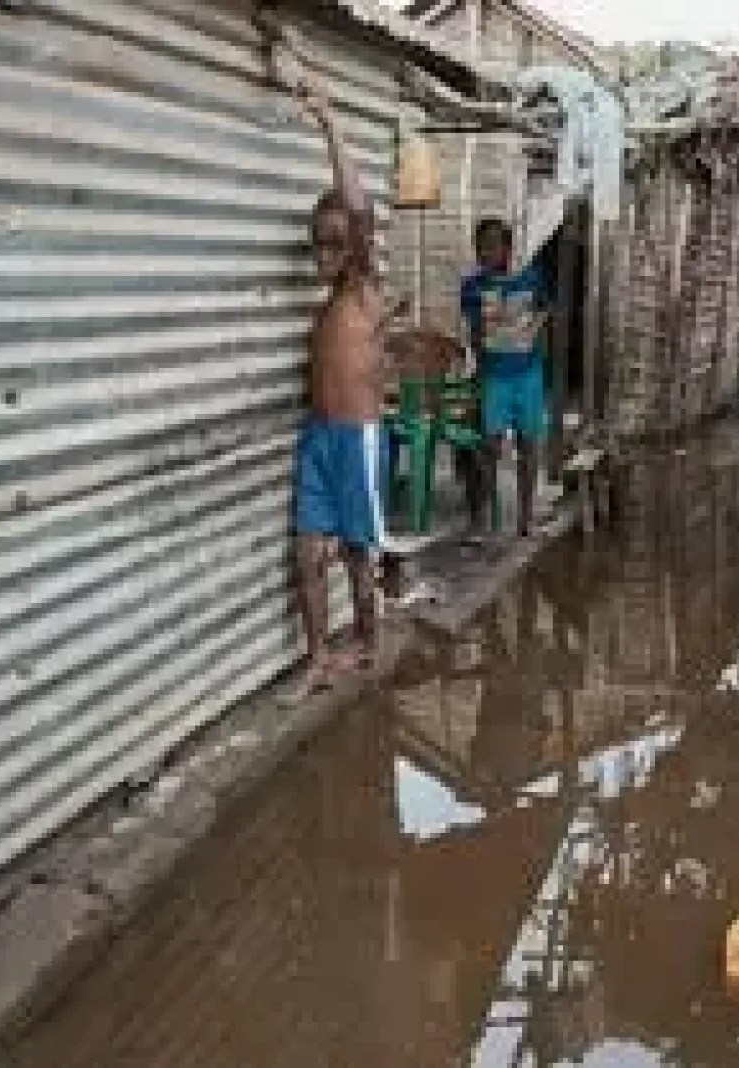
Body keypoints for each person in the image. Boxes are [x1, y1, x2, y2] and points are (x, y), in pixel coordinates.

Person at [280, 72, 393, 702]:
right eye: (315, 244)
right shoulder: (328, 308)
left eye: (334, 242)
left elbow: (355, 207)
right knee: (307, 555)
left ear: (352, 247)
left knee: (355, 553)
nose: (323, 251)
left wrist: (330, 122)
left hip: (357, 438)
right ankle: (319, 657)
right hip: (319, 437)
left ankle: (370, 643)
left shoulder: (361, 291)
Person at [461, 219, 550, 539]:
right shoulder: (472, 286)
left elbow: (545, 309)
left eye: (494, 245)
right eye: (481, 245)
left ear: (507, 249)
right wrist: (478, 368)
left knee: (529, 446)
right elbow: (472, 331)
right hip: (494, 377)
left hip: (528, 375)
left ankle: (525, 518)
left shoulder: (529, 278)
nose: (486, 252)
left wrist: (532, 329)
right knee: (488, 448)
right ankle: (479, 521)